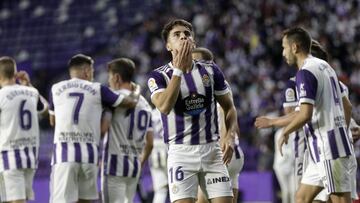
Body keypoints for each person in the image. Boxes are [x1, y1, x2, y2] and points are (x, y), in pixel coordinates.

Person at [147, 19, 238, 203]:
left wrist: (229, 135)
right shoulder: (158, 76)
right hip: (181, 153)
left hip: (212, 150)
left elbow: (229, 107)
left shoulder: (211, 71)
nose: (183, 36)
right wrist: (178, 72)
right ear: (168, 46)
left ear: (193, 41)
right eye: (177, 35)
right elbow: (164, 107)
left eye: (187, 34)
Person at [48, 54, 140, 203]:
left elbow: (53, 121)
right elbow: (130, 102)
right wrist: (136, 91)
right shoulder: (98, 89)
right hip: (89, 157)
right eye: (91, 71)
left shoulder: (55, 89)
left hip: (63, 155)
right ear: (86, 71)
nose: (92, 74)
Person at [278, 28, 353, 203]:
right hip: (320, 149)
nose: (283, 53)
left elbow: (305, 114)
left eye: (284, 47)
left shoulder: (305, 72)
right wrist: (342, 132)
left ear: (295, 47)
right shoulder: (325, 66)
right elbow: (347, 106)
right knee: (301, 198)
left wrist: (285, 132)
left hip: (329, 147)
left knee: (340, 200)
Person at [192, 47, 244, 203]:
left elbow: (222, 114)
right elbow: (232, 118)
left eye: (194, 60)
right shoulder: (222, 83)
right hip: (235, 151)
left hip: (220, 151)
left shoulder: (207, 83)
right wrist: (232, 139)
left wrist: (224, 141)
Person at [100, 58, 154, 203]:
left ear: (117, 77)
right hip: (134, 166)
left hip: (113, 166)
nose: (109, 81)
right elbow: (150, 143)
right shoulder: (145, 105)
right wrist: (140, 163)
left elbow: (103, 129)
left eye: (110, 77)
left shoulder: (115, 100)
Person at [0, 57, 48, 203]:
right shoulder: (31, 92)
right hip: (30, 156)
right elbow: (45, 108)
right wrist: (30, 85)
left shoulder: (1, 96)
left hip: (10, 154)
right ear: (15, 74)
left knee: (16, 200)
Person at [149, 106, 169, 203]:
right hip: (169, 150)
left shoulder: (150, 113)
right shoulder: (169, 109)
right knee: (180, 189)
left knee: (160, 191)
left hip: (154, 152)